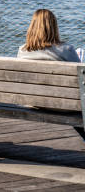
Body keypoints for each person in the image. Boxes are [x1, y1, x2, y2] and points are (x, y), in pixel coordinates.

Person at [17, 9, 84, 140]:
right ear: (54, 27)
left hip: (32, 102)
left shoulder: (22, 50)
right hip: (63, 104)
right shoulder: (66, 50)